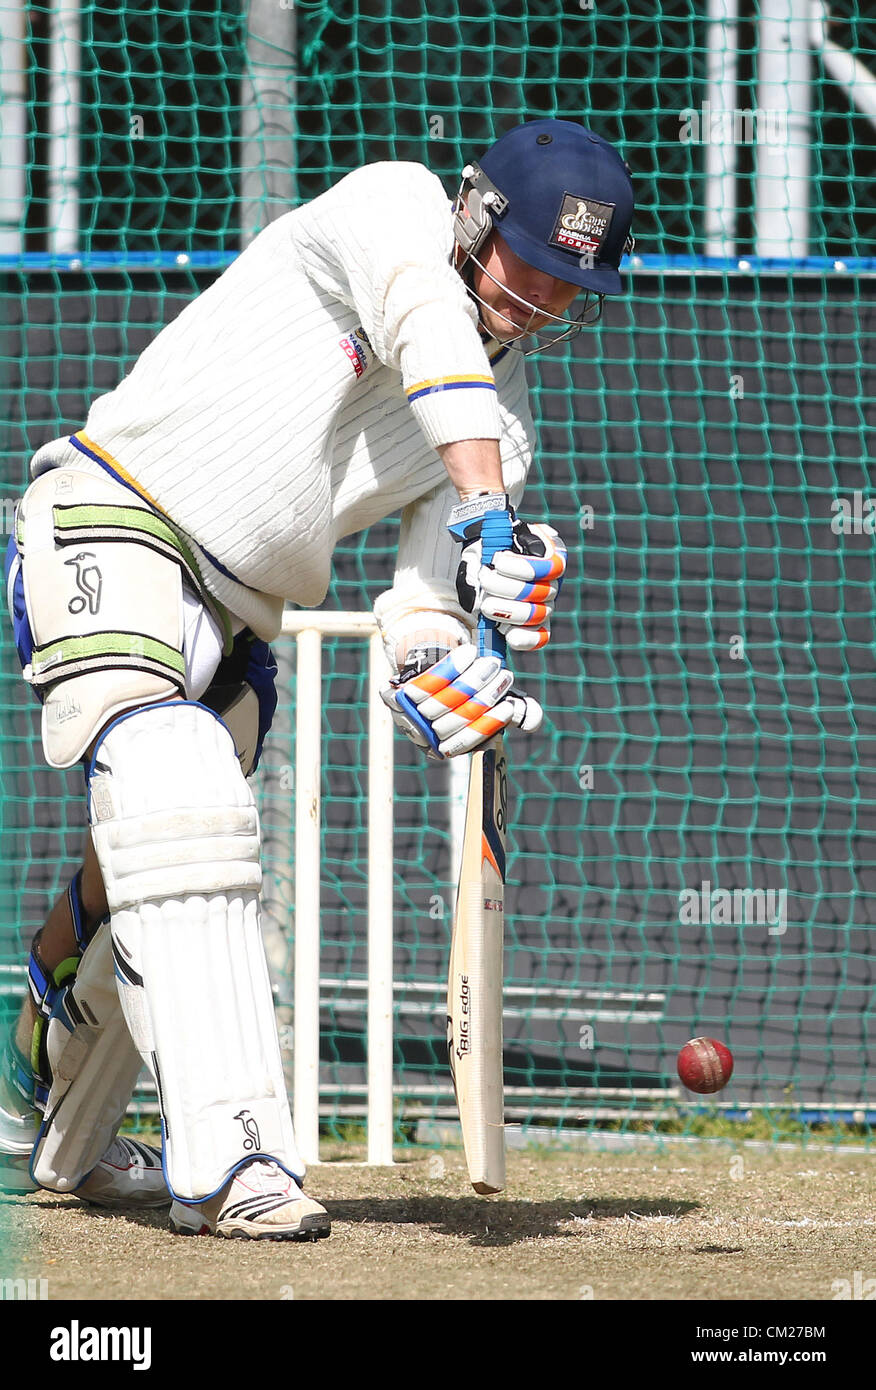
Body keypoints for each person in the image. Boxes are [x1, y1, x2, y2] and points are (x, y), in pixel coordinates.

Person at [0, 118, 634, 1239]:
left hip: (241, 615)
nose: (535, 303)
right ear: (477, 219)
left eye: (565, 288)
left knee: (152, 865)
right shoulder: (390, 204)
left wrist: (448, 674)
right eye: (527, 267)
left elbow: (423, 608)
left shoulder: (505, 429)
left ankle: (37, 1109)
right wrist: (491, 513)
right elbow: (427, 329)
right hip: (111, 515)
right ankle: (243, 1155)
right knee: (175, 776)